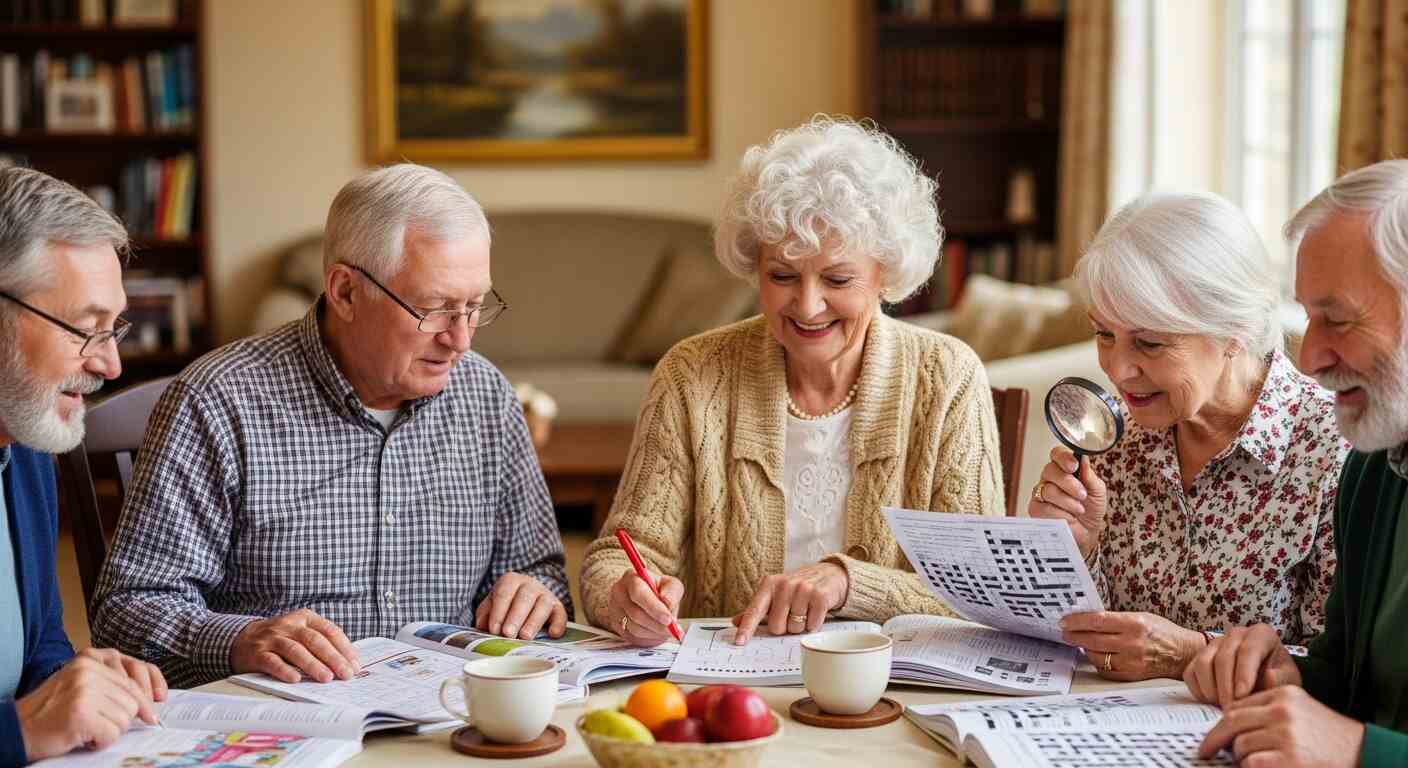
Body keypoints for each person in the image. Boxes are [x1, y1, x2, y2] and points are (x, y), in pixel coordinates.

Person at [91, 164, 572, 688]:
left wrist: (534, 594)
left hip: (450, 711)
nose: (461, 340)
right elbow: (126, 613)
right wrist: (238, 640)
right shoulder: (219, 402)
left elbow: (541, 572)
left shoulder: (486, 396)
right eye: (434, 309)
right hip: (280, 718)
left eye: (474, 307)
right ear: (345, 292)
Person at [579, 116, 1006, 647]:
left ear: (885, 273)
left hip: (891, 679)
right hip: (730, 677)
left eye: (837, 278)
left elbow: (982, 588)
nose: (807, 306)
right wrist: (623, 596)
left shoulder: (947, 376)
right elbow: (617, 556)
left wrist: (847, 583)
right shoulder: (692, 374)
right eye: (781, 275)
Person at [1029, 192, 1349, 683]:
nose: (1117, 368)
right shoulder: (1118, 442)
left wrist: (1192, 654)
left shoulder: (1335, 451)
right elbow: (1093, 639)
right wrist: (1076, 549)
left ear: (1234, 330)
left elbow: (1345, 674)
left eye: (1150, 342)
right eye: (1104, 335)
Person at [1185, 160, 1408, 767]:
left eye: (1337, 320)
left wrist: (1360, 751)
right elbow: (1351, 682)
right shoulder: (1374, 468)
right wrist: (1286, 676)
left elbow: (1360, 736)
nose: (1308, 357)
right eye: (1307, 317)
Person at [0, 167, 167, 765]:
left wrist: (77, 680)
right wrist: (19, 731)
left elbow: (39, 641)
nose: (110, 364)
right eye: (85, 329)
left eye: (113, 328)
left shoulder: (24, 447)